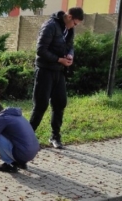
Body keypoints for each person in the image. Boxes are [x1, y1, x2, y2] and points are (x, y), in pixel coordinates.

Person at [29, 7, 84, 149]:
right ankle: (27, 136)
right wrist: (59, 59)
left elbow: (70, 46)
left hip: (59, 72)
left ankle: (55, 136)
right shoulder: (50, 26)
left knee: (60, 103)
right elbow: (40, 50)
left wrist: (70, 55)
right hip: (45, 70)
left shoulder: (69, 29)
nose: (75, 26)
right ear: (70, 17)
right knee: (41, 105)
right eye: (75, 23)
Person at [0, 101, 39, 173]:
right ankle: (20, 163)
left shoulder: (0, 117)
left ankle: (10, 164)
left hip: (23, 153)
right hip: (32, 152)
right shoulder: (17, 116)